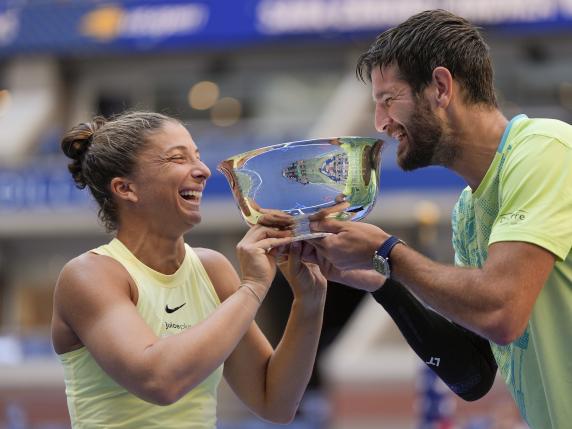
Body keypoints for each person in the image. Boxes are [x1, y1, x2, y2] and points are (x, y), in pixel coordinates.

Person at [304, 9, 572, 429]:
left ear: (441, 88)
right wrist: (383, 282)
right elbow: (473, 376)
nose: (381, 124)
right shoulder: (468, 211)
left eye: (388, 100)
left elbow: (502, 311)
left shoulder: (545, 150)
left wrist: (387, 252)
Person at [51, 111, 327, 428]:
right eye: (177, 158)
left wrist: (309, 301)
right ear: (126, 188)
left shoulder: (211, 269)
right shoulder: (90, 274)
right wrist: (252, 287)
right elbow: (159, 381)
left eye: (196, 156)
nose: (203, 170)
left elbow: (275, 402)